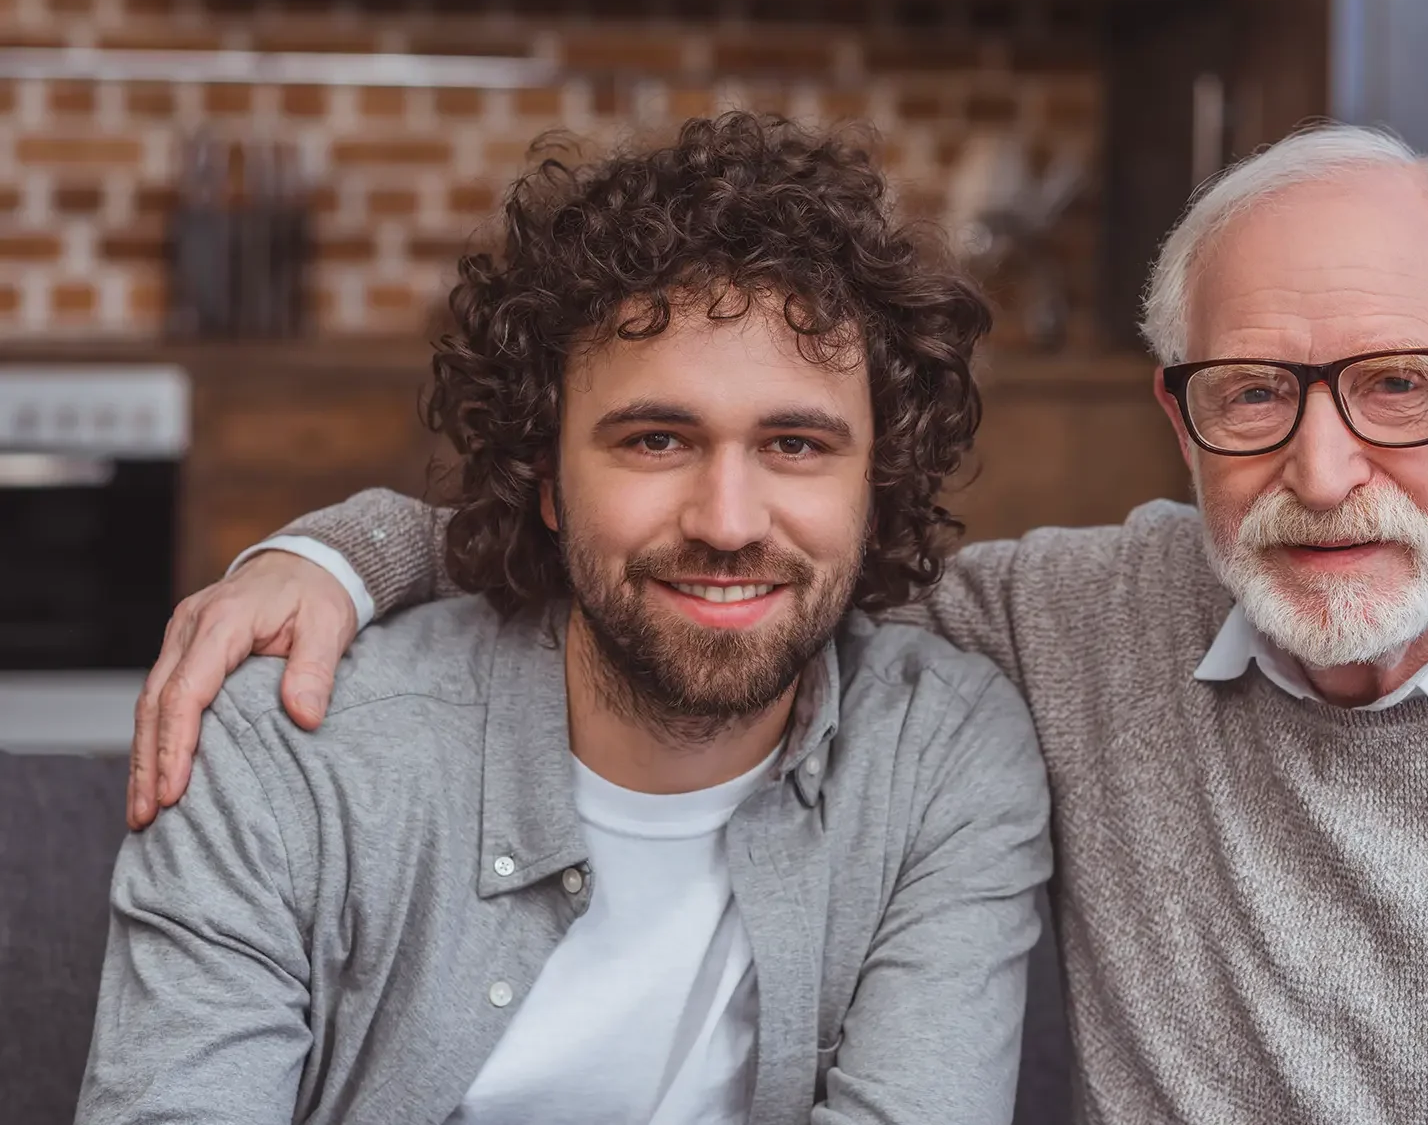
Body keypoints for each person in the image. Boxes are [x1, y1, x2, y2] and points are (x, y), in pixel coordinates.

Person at [129, 123, 1428, 1122]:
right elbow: (716, 568)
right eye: (1251, 393)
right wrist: (349, 554)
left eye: (1396, 387)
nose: (1320, 464)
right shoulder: (1089, 624)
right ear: (1178, 418)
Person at [79, 114, 1052, 1125]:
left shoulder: (944, 761)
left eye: (797, 445)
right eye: (656, 439)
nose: (726, 522)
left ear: (875, 483)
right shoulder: (289, 749)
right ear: (546, 479)